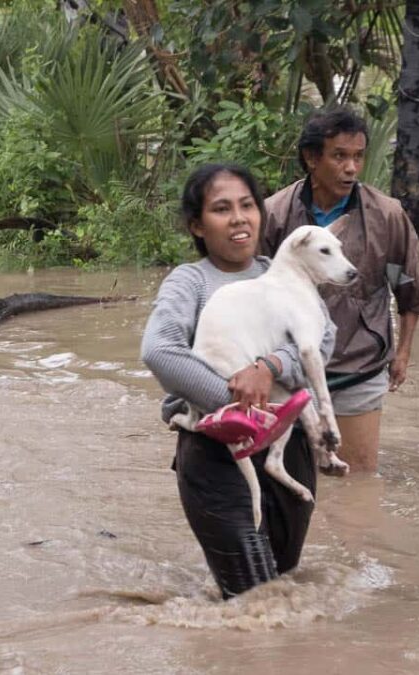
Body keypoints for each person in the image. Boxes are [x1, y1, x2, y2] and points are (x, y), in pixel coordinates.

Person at [141, 164, 336, 599]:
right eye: (221, 209)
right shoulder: (190, 283)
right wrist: (236, 408)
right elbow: (159, 350)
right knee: (253, 596)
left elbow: (323, 345)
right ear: (197, 225)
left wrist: (269, 366)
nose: (238, 218)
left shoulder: (289, 275)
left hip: (291, 448)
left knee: (282, 584)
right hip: (215, 456)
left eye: (248, 205)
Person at [259, 108, 419, 473]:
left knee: (357, 478)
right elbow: (254, 294)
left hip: (360, 365)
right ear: (312, 159)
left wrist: (403, 352)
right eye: (339, 156)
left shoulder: (387, 216)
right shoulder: (274, 215)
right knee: (291, 474)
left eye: (358, 156)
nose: (352, 168)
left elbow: (410, 285)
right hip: (289, 367)